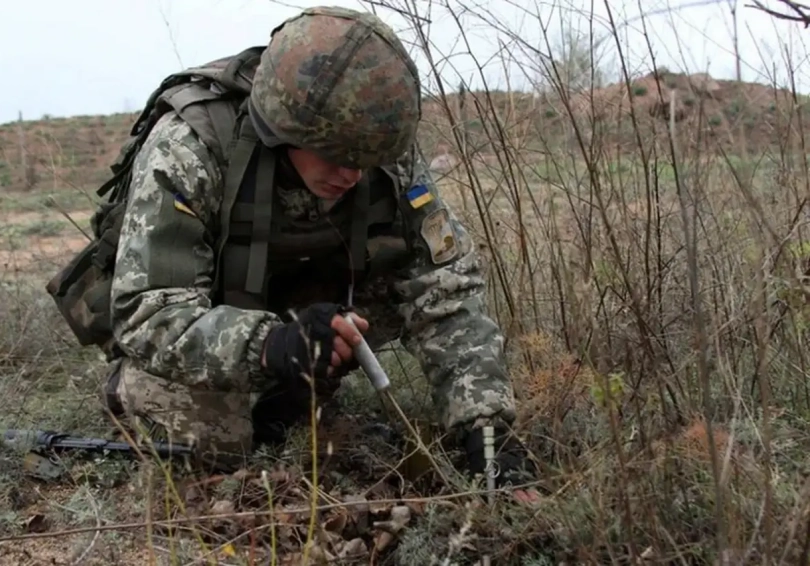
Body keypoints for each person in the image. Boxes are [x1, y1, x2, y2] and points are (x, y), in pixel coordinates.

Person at [47, 6, 533, 487]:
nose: (355, 174)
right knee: (214, 438)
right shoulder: (191, 146)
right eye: (338, 156)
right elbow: (148, 313)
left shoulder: (374, 146)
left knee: (389, 316)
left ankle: (290, 394)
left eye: (367, 159)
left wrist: (486, 430)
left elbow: (445, 292)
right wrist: (274, 345)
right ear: (284, 129)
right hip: (200, 324)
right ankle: (130, 388)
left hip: (296, 318)